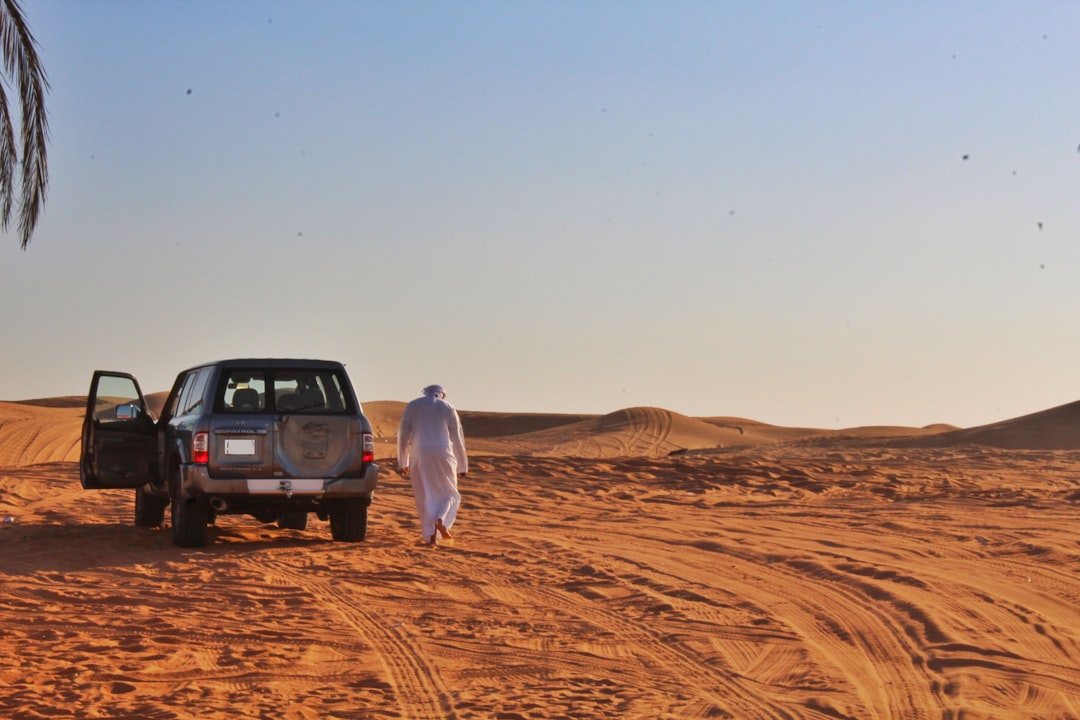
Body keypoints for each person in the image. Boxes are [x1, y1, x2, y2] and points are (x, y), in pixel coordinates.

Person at [397, 384, 468, 545]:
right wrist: (462, 466)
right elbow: (457, 438)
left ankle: (430, 536)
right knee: (451, 492)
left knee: (425, 494)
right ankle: (441, 519)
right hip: (444, 453)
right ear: (442, 394)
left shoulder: (413, 406)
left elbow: (403, 435)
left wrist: (403, 462)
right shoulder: (448, 407)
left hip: (420, 454)